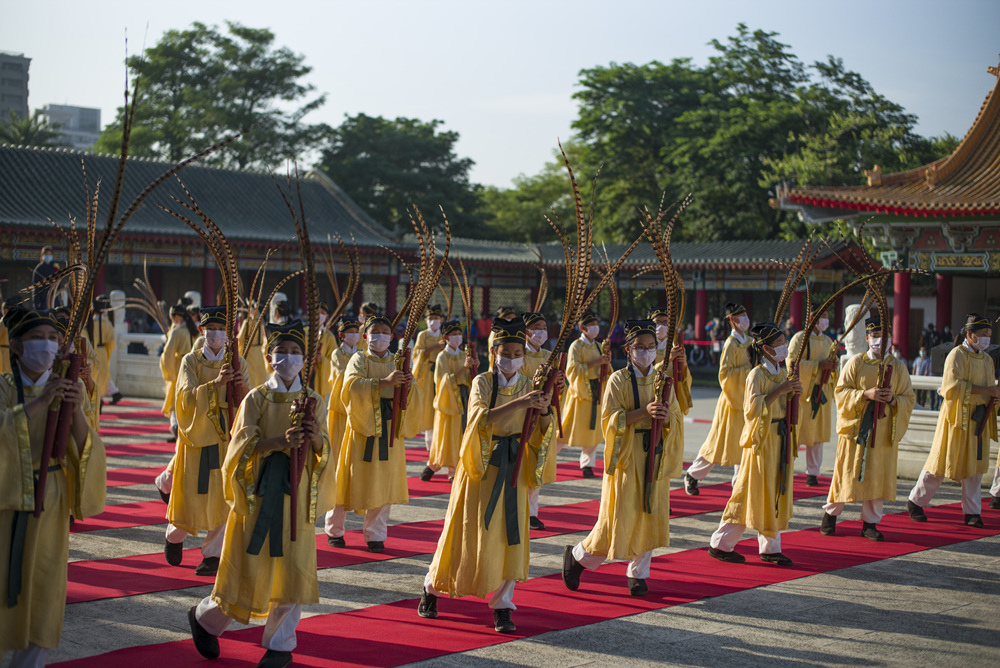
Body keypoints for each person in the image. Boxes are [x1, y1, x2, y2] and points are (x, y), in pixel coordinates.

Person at [188, 319, 334, 668]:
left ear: (306, 360)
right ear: (269, 358)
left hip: (294, 495)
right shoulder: (257, 397)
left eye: (296, 352)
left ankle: (280, 645)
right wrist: (278, 442)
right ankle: (206, 619)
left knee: (292, 568)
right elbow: (240, 446)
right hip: (256, 493)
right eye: (282, 352)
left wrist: (314, 437)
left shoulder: (313, 400)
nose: (289, 358)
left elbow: (326, 447)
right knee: (245, 566)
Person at [418, 318, 555, 633]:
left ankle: (503, 606)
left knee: (511, 536)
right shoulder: (482, 382)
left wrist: (545, 409)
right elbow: (479, 419)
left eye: (517, 352)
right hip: (480, 468)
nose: (511, 357)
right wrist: (522, 403)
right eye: (506, 352)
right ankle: (432, 586)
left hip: (514, 468)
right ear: (495, 352)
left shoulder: (530, 384)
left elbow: (543, 430)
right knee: (464, 533)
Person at [1, 307, 106, 666]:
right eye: (36, 338)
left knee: (45, 584)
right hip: (7, 499)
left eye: (53, 338)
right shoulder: (3, 387)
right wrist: (39, 403)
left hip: (51, 494)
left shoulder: (68, 386)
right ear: (15, 346)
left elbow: (87, 447)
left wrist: (76, 409)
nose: (46, 345)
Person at [562, 320, 682, 596]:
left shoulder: (663, 380)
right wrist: (644, 412)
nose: (646, 352)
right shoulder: (618, 380)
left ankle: (638, 573)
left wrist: (666, 419)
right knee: (618, 516)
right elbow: (610, 421)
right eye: (640, 347)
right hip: (627, 454)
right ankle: (580, 556)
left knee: (649, 512)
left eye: (651, 347)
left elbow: (675, 416)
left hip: (655, 452)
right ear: (628, 349)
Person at [708, 322, 801, 566]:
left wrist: (794, 393)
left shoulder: (782, 372)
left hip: (779, 438)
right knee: (747, 492)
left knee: (774, 490)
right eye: (780, 344)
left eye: (784, 343)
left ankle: (770, 547)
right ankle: (721, 542)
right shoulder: (757, 374)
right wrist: (781, 391)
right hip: (761, 441)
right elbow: (751, 410)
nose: (784, 348)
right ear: (767, 348)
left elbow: (786, 404)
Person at [164, 307, 247, 576]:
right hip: (196, 436)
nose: (216, 334)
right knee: (190, 495)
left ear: (230, 333)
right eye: (211, 329)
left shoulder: (238, 361)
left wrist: (238, 386)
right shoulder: (191, 361)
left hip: (224, 437)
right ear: (202, 331)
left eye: (222, 329)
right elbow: (185, 397)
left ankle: (212, 555)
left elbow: (248, 400)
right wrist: (215, 385)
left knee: (222, 497)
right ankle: (174, 536)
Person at [821, 315, 915, 540]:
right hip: (857, 429)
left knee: (877, 476)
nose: (880, 340)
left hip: (882, 431)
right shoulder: (856, 363)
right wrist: (865, 394)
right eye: (875, 336)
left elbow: (908, 398)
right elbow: (840, 392)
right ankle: (831, 515)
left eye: (884, 336)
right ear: (867, 338)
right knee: (846, 473)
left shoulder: (898, 367)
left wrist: (893, 400)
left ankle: (870, 523)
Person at [324, 315, 410, 552]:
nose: (380, 336)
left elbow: (412, 396)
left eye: (385, 332)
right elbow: (351, 386)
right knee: (348, 479)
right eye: (376, 332)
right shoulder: (358, 358)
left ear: (392, 338)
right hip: (362, 428)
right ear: (366, 336)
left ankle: (375, 534)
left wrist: (409, 386)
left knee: (384, 482)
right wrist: (384, 383)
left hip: (389, 428)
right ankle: (335, 529)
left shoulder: (398, 360)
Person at [908, 314, 998, 528]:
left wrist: (994, 396)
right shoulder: (956, 355)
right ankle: (915, 501)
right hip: (956, 418)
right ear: (969, 334)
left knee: (975, 467)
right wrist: (986, 390)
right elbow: (951, 387)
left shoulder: (987, 359)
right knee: (940, 463)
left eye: (989, 335)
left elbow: (990, 390)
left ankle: (972, 512)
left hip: (979, 418)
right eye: (983, 335)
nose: (986, 339)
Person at [685, 303, 751, 494]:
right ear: (733, 320)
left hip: (746, 399)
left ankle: (739, 487)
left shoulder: (748, 341)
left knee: (744, 443)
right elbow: (725, 375)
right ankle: (693, 474)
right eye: (742, 317)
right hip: (732, 400)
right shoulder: (731, 344)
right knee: (717, 442)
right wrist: (748, 371)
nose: (746, 320)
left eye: (747, 316)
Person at [787, 305, 838, 486]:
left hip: (821, 392)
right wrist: (817, 366)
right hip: (804, 393)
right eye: (822, 316)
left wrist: (832, 367)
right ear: (812, 318)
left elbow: (834, 370)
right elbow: (791, 363)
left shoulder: (828, 342)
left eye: (827, 316)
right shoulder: (800, 338)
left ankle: (813, 472)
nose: (825, 320)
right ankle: (787, 468)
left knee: (817, 436)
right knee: (797, 432)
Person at [421, 320, 478, 482]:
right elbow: (443, 381)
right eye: (454, 335)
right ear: (445, 337)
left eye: (459, 334)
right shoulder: (442, 357)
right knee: (445, 434)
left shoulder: (463, 355)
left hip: (462, 398)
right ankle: (436, 465)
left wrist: (473, 368)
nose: (458, 338)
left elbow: (469, 380)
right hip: (448, 400)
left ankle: (451, 467)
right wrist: (464, 368)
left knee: (459, 433)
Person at [559, 312, 609, 478]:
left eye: (597, 324)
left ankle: (587, 464)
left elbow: (606, 370)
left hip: (596, 392)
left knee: (593, 430)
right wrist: (596, 362)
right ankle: (548, 458)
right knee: (566, 429)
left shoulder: (598, 346)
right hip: (580, 393)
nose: (595, 328)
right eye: (592, 325)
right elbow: (572, 370)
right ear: (582, 327)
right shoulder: (576, 346)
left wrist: (606, 365)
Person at [521, 312, 555, 529]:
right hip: (522, 414)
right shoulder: (518, 355)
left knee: (538, 463)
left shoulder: (549, 356)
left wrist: (557, 383)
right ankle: (518, 507)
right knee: (522, 462)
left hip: (543, 415)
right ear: (526, 331)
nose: (541, 331)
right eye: (536, 327)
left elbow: (559, 390)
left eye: (544, 326)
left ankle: (532, 511)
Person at [409, 305, 447, 447]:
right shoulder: (423, 335)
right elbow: (417, 354)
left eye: (436, 318)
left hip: (441, 372)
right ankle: (429, 442)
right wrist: (436, 346)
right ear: (426, 320)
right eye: (431, 319)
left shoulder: (444, 334)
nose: (433, 321)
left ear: (441, 319)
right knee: (428, 405)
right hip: (427, 372)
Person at [160, 299, 198, 441]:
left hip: (178, 367)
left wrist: (169, 372)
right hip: (192, 366)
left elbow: (167, 354)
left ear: (176, 317)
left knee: (174, 400)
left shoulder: (176, 332)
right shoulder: (193, 330)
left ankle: (176, 428)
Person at [326, 315, 360, 470]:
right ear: (341, 335)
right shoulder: (337, 354)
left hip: (359, 402)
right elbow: (340, 375)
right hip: (341, 404)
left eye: (356, 331)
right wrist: (358, 378)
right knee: (339, 440)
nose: (354, 335)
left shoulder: (361, 353)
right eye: (350, 332)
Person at [88, 295, 122, 405]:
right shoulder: (108, 324)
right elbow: (112, 342)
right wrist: (108, 351)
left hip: (93, 351)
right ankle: (101, 397)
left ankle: (99, 398)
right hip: (103, 351)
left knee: (94, 374)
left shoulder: (91, 324)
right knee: (103, 374)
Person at [312, 302, 337, 402]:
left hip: (321, 379)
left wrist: (321, 360)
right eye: (317, 312)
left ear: (326, 316)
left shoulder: (329, 336)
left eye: (322, 313)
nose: (319, 315)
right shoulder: (304, 332)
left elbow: (334, 361)